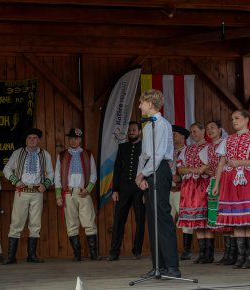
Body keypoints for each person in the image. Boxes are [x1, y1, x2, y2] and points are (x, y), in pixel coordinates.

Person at [136, 89, 180, 278]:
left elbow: (159, 154)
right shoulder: (147, 127)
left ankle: (172, 266)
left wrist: (143, 174)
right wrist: (141, 176)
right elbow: (144, 154)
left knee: (163, 217)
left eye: (141, 102)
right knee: (152, 220)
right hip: (149, 170)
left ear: (150, 104)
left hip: (160, 169)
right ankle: (158, 266)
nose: (139, 106)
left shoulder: (162, 124)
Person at [213, 110, 250, 269]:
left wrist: (239, 162)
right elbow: (222, 163)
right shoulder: (227, 140)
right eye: (232, 119)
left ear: (247, 120)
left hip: (248, 179)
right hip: (229, 181)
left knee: (249, 219)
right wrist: (216, 184)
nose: (234, 121)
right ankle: (241, 257)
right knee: (238, 219)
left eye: (237, 118)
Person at [3, 128, 54, 265]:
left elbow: (50, 173)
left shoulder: (45, 155)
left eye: (34, 138)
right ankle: (11, 256)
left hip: (37, 192)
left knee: (35, 224)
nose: (32, 140)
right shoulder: (18, 153)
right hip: (22, 191)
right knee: (16, 223)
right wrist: (15, 180)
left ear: (39, 140)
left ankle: (31, 255)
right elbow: (6, 169)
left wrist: (46, 184)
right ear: (26, 140)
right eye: (29, 138)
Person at [55, 128, 100, 261]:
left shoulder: (87, 154)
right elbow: (57, 177)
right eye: (70, 138)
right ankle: (77, 254)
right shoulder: (62, 155)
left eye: (75, 138)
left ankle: (93, 253)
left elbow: (93, 174)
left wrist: (88, 189)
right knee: (72, 224)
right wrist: (58, 195)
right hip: (68, 193)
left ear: (80, 139)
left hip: (83, 192)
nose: (73, 141)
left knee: (89, 222)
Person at [106, 121, 146, 261]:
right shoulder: (123, 147)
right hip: (123, 189)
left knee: (140, 220)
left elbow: (148, 169)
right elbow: (117, 170)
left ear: (140, 132)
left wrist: (146, 192)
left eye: (134, 130)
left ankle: (137, 250)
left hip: (139, 190)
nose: (131, 132)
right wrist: (115, 189)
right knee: (118, 220)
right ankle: (114, 251)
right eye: (129, 130)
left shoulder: (145, 146)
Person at [199, 121, 235, 265]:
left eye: (213, 127)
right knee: (220, 218)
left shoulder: (227, 142)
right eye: (207, 128)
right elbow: (206, 166)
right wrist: (206, 169)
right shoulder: (207, 148)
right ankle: (228, 254)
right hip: (214, 182)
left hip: (227, 181)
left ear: (220, 129)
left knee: (228, 216)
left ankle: (232, 254)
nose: (210, 130)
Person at [177, 123, 210, 264]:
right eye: (191, 132)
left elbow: (209, 168)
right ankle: (203, 253)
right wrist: (195, 169)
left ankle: (209, 253)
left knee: (205, 220)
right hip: (190, 188)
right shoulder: (186, 149)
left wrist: (197, 169)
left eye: (195, 131)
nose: (193, 134)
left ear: (203, 131)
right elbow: (180, 170)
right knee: (198, 221)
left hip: (204, 186)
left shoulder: (210, 147)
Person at [169, 125, 194, 260]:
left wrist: (180, 178)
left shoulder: (188, 152)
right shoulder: (167, 152)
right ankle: (168, 250)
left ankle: (187, 250)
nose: (171, 137)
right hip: (168, 191)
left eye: (174, 134)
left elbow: (192, 171)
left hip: (182, 190)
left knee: (186, 221)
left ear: (182, 137)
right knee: (167, 221)